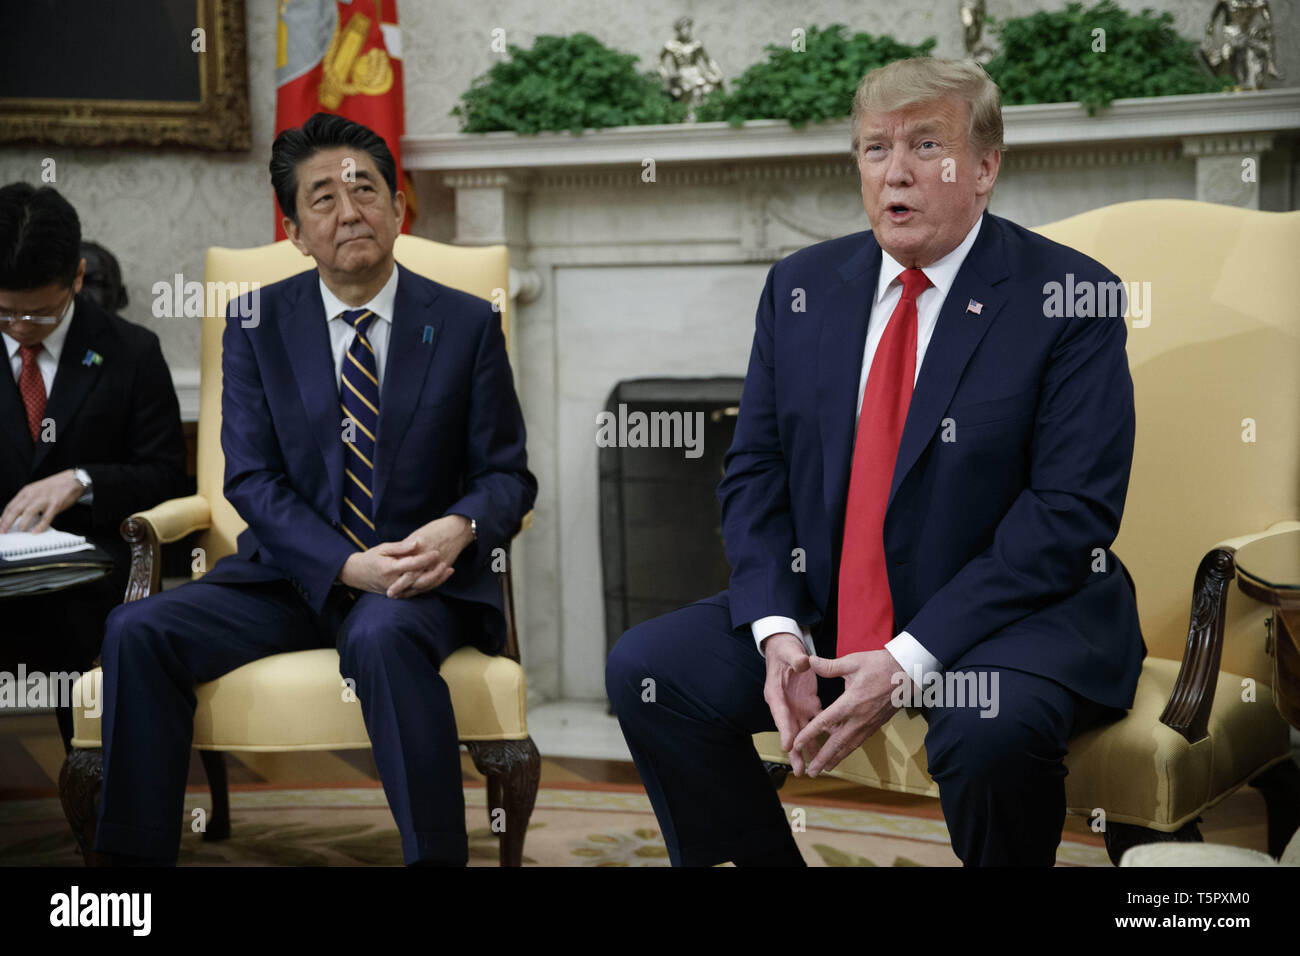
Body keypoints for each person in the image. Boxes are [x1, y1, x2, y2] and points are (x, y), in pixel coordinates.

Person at [606, 57, 1145, 867]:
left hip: (1009, 622)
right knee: (650, 669)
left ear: (986, 167)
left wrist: (906, 659)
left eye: (928, 146)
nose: (896, 172)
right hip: (834, 606)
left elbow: (1069, 513)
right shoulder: (802, 287)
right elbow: (754, 470)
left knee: (989, 728)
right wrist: (777, 629)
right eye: (874, 148)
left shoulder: (1070, 298)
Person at [93, 113, 536, 866]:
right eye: (322, 198)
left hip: (416, 587)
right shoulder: (258, 321)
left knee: (382, 634)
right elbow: (252, 480)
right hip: (287, 579)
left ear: (398, 207)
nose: (349, 209)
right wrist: (342, 566)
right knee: (137, 631)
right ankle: (129, 880)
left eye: (364, 189)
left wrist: (459, 528)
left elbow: (506, 476)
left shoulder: (462, 323)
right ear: (296, 232)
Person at [0, 183, 188, 753]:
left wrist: (83, 480)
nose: (22, 328)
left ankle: (108, 816)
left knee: (89, 624)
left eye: (40, 311)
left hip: (84, 575)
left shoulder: (132, 352)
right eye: (6, 312)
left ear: (79, 278)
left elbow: (166, 476)